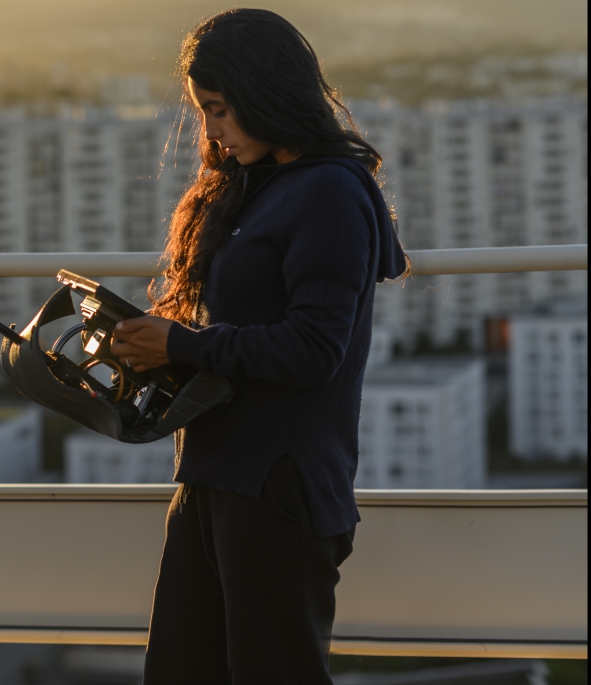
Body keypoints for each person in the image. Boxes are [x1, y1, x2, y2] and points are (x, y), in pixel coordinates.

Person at [108, 8, 408, 684]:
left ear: (265, 92)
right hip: (214, 474)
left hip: (278, 488)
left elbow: (313, 349)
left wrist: (181, 345)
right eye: (203, 111)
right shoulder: (258, 183)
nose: (209, 130)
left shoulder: (330, 192)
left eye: (218, 109)